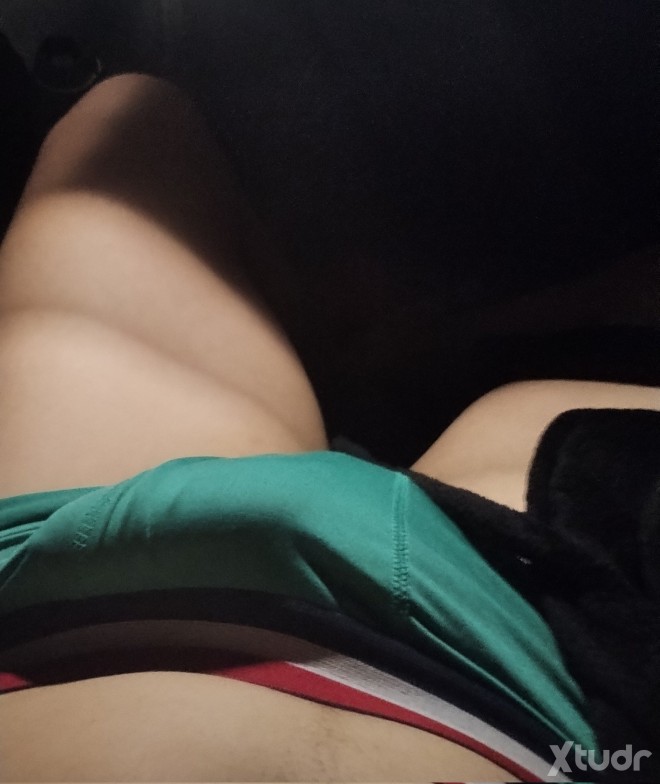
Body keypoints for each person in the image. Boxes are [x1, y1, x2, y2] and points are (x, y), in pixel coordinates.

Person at [0, 74, 657, 782]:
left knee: (129, 120)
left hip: (59, 595)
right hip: (500, 669)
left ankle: (354, 357)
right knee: (538, 401)